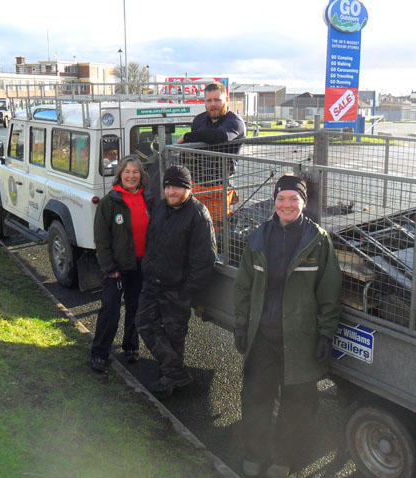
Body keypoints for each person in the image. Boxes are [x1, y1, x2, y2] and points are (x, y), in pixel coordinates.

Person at [233, 174, 342, 478]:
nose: (286, 204)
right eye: (281, 198)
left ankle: (284, 458)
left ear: (303, 203)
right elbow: (243, 286)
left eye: (294, 199)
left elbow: (329, 292)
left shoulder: (318, 240)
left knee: (297, 405)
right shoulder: (257, 238)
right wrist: (241, 325)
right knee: (255, 398)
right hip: (262, 338)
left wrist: (325, 334)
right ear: (274, 201)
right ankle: (255, 453)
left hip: (299, 341)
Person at [135, 165, 217, 398]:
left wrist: (186, 290)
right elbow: (152, 241)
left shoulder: (199, 214)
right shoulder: (161, 207)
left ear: (188, 189)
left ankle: (170, 377)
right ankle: (175, 371)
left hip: (176, 288)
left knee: (174, 335)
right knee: (144, 323)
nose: (171, 191)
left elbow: (205, 260)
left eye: (177, 187)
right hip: (152, 283)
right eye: (168, 186)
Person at [90, 156, 154, 374]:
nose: (131, 176)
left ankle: (131, 346)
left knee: (135, 309)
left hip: (140, 266)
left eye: (136, 172)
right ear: (120, 175)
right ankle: (99, 353)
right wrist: (110, 268)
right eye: (127, 171)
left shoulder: (148, 199)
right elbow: (101, 238)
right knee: (110, 311)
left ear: (141, 176)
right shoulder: (110, 202)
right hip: (117, 269)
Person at [177, 81, 246, 225]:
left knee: (216, 230)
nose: (213, 104)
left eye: (217, 100)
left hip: (219, 187)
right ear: (204, 102)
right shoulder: (199, 120)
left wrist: (187, 137)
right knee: (194, 226)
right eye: (209, 100)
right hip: (196, 185)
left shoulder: (235, 122)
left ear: (226, 100)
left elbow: (219, 136)